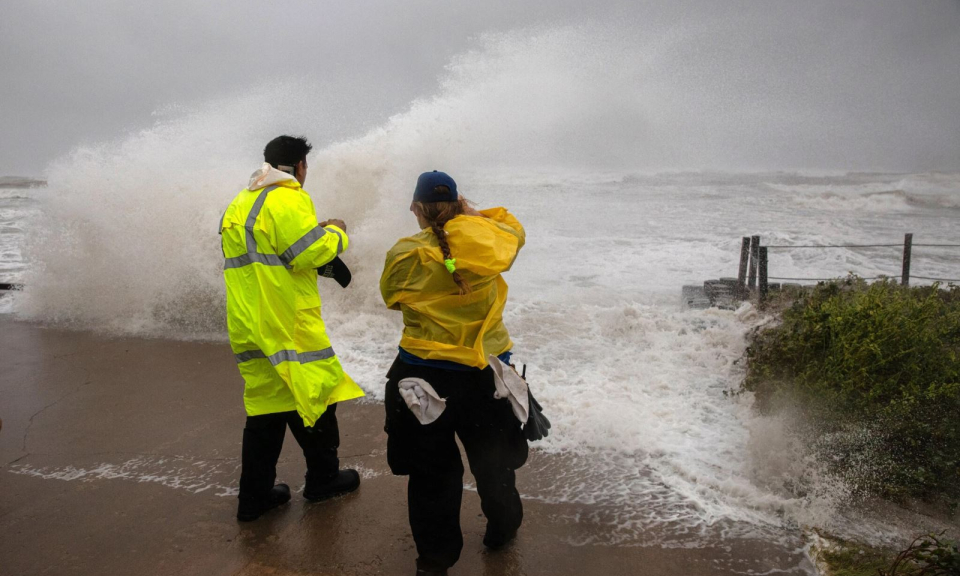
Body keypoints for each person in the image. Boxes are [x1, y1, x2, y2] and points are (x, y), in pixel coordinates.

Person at [380, 170, 528, 576]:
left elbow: (391, 298)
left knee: (432, 475)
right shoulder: (491, 243)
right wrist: (473, 216)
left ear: (416, 209)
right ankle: (502, 529)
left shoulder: (405, 253)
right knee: (494, 463)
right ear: (461, 204)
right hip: (487, 374)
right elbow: (513, 231)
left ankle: (435, 561)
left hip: (422, 377)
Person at [220, 135, 365, 522]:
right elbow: (310, 253)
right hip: (288, 321)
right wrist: (336, 232)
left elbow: (273, 251)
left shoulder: (241, 202)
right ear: (299, 166)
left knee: (267, 407)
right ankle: (323, 480)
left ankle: (254, 497)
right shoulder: (289, 197)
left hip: (249, 322)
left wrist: (310, 234)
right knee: (316, 393)